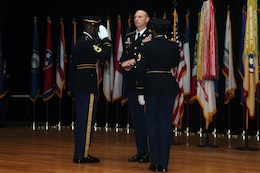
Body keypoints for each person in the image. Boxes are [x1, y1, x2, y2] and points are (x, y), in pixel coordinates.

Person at [136, 18, 180, 172]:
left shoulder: (146, 46)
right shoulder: (174, 46)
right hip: (168, 85)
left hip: (151, 86)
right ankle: (164, 164)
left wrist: (140, 91)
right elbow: (175, 63)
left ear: (153, 30)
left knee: (152, 124)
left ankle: (155, 162)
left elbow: (141, 69)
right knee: (165, 124)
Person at [69, 16, 112, 163]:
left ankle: (82, 152)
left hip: (81, 86)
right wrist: (106, 39)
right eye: (95, 28)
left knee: (83, 120)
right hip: (86, 87)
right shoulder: (86, 43)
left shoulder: (82, 42)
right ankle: (82, 155)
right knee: (86, 121)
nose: (96, 31)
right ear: (89, 27)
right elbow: (105, 54)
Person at [120, 9, 152, 163]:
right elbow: (123, 58)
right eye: (135, 17)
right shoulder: (129, 37)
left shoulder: (151, 36)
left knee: (147, 119)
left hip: (146, 84)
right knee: (136, 120)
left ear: (147, 19)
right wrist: (124, 64)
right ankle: (140, 151)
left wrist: (133, 62)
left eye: (140, 17)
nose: (136, 19)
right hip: (132, 83)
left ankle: (149, 152)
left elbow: (151, 59)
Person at [0, 59, 11, 127]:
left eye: (5, 64)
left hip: (5, 94)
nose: (4, 65)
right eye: (3, 64)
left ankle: (2, 122)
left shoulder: (8, 73)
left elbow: (10, 84)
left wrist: (7, 91)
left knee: (4, 109)